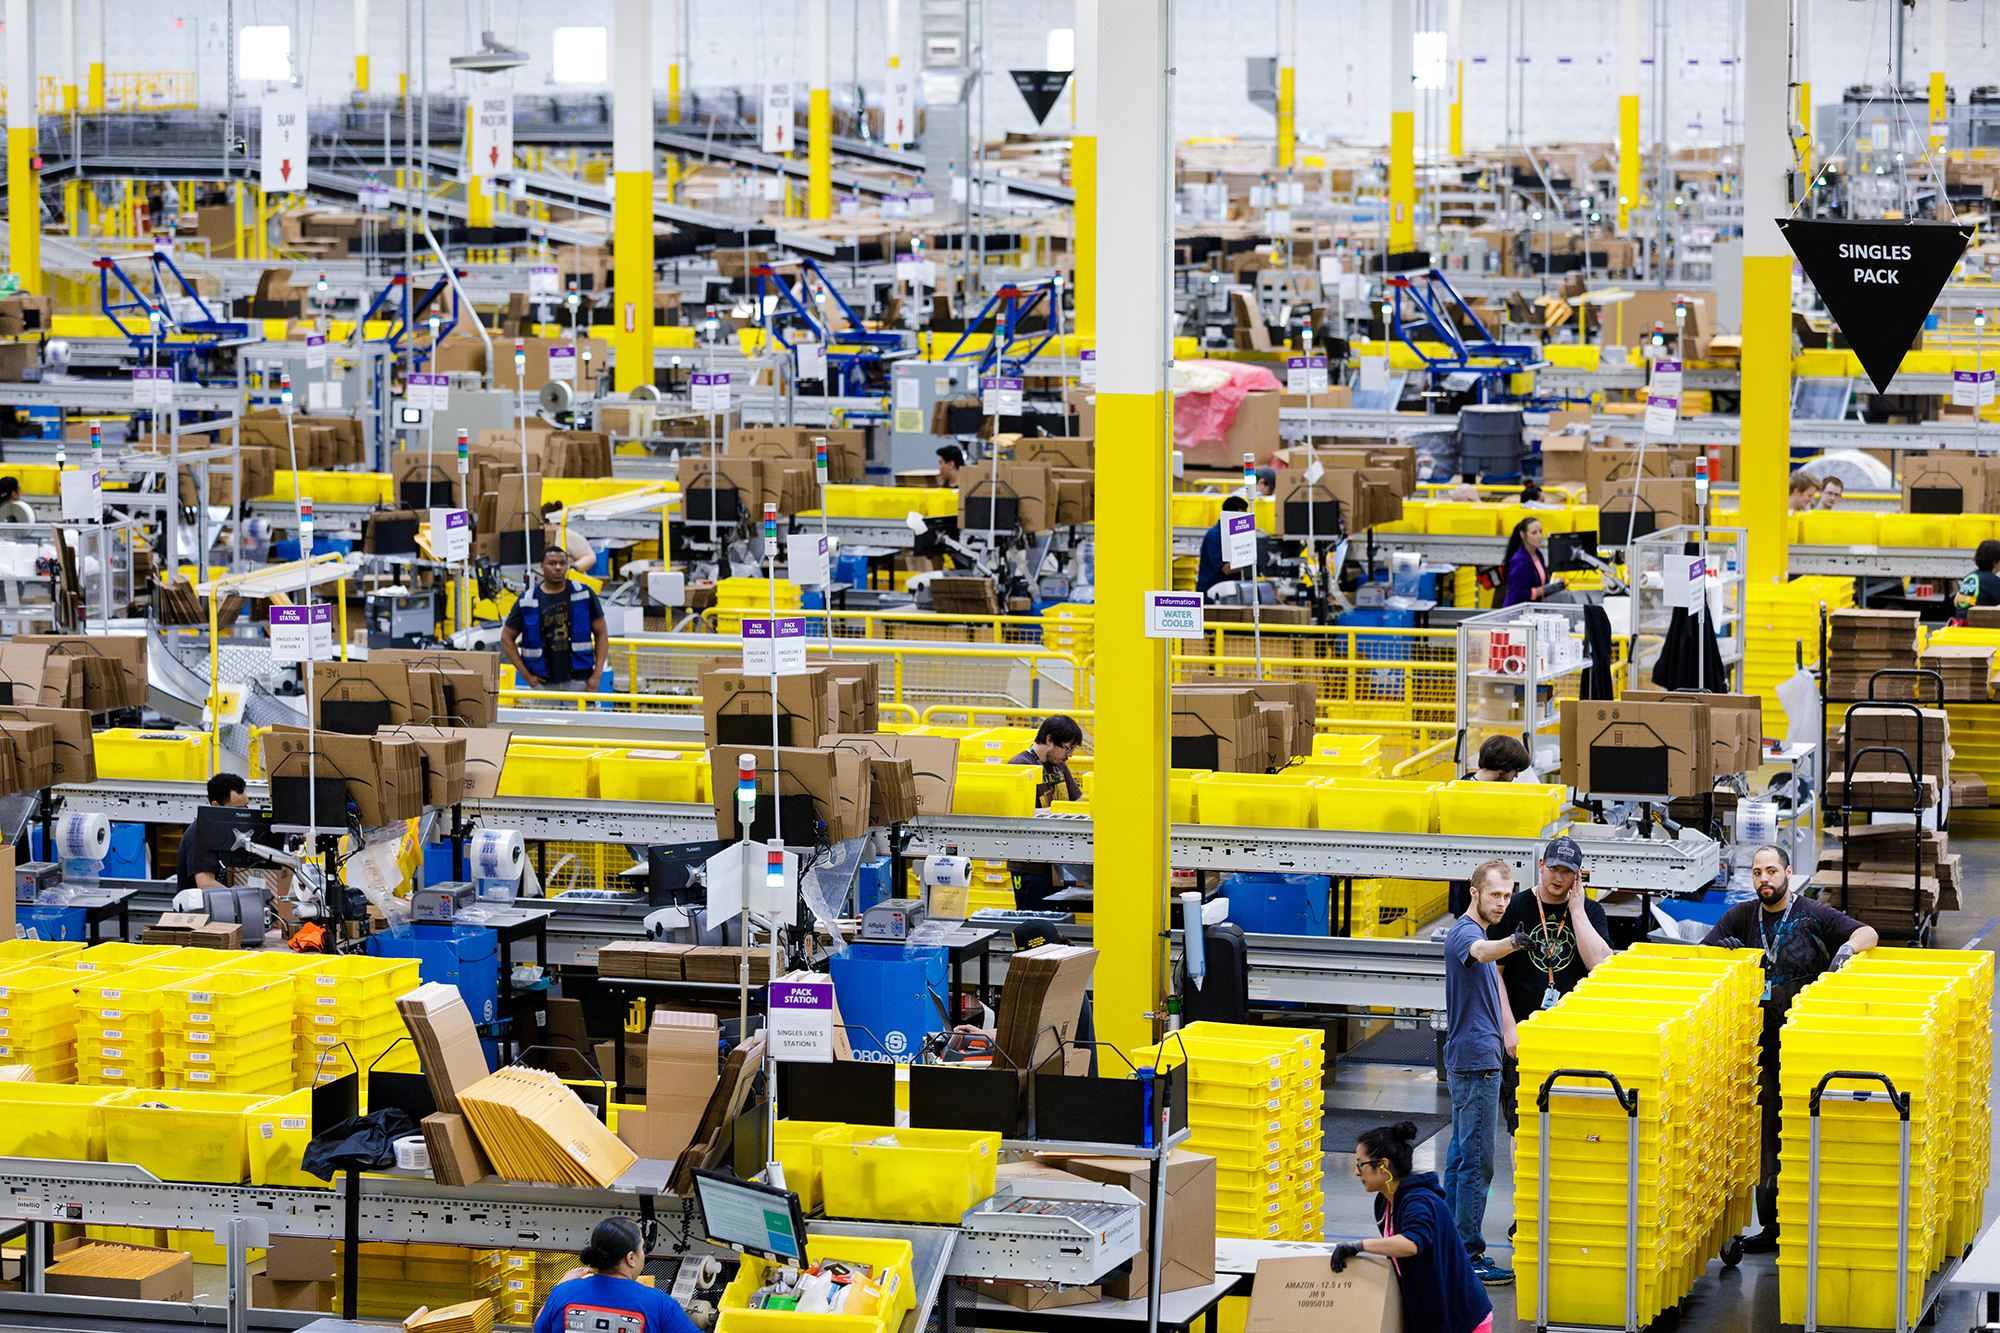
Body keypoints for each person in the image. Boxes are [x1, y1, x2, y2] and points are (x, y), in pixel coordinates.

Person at [1701, 843, 1877, 1252]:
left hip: (1806, 1046)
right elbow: (1700, 954)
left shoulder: (1812, 914)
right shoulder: (1742, 916)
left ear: (1788, 873)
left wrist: (1848, 949)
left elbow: (1867, 932)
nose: (1764, 879)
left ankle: (1813, 1222)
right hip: (1758, 1048)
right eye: (1758, 873)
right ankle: (1772, 1228)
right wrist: (1717, 955)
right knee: (1766, 1139)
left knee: (1806, 1133)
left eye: (1772, 872)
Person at [1487, 835, 1612, 1133]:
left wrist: (1577, 911)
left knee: (1571, 1126)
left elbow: (1602, 966)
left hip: (1574, 1037)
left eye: (1567, 871)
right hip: (1524, 1036)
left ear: (1577, 876)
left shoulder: (1592, 912)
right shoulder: (1514, 908)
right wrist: (1508, 1028)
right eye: (1554, 868)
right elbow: (1494, 973)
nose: (1558, 877)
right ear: (1541, 865)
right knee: (1522, 1125)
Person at [1331, 1122, 1494, 1333]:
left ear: (1383, 1165)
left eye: (1360, 1164)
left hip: (1461, 1320)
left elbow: (1411, 1243)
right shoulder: (1385, 1203)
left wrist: (1359, 1245)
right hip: (1432, 1313)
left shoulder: (1419, 1202)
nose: (1356, 1172)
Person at [1441, 859, 1520, 1285]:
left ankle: (1453, 1245)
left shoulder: (1480, 932)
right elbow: (1481, 953)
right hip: (1475, 1064)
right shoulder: (1467, 935)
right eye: (1495, 895)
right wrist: (1512, 942)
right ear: (1474, 892)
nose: (1502, 903)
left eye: (1507, 896)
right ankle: (1469, 1255)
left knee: (1460, 1156)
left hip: (1475, 1060)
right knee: (1476, 1161)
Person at [532, 1218, 700, 1333]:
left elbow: (538, 1328)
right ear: (631, 1258)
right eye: (642, 1248)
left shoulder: (564, 1293)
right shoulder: (659, 1304)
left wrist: (561, 1285)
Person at [502, 545, 610, 693]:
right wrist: (527, 676)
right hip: (542, 685)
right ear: (541, 567)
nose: (558, 568)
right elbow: (506, 639)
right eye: (552, 563)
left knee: (579, 717)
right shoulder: (527, 601)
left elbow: (602, 633)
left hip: (580, 682)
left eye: (562, 563)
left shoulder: (584, 594)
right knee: (542, 718)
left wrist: (597, 676)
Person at [1446, 736, 1533, 916]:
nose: (1515, 776)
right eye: (1514, 770)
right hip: (1468, 890)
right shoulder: (1459, 796)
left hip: (1497, 891)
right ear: (1501, 768)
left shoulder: (1494, 791)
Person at [1007, 715, 1085, 910]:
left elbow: (1078, 801)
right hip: (1031, 866)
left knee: (1061, 926)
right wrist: (1061, 811)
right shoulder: (1020, 766)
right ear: (1049, 740)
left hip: (1061, 864)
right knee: (1035, 925)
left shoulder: (1060, 766)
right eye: (1067, 748)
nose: (1070, 755)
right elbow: (1015, 815)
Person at [176, 773, 248, 894]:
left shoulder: (222, 829)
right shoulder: (201, 835)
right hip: (198, 911)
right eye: (237, 810)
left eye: (246, 807)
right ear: (215, 806)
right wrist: (240, 899)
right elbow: (205, 884)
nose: (243, 815)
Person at [1499, 517, 1564, 607]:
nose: (1539, 536)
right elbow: (1517, 594)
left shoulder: (1538, 555)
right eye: (1534, 533)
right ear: (1523, 535)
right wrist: (1543, 590)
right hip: (1517, 614)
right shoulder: (1519, 562)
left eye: (1540, 531)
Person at [1196, 495, 1252, 595]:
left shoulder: (1234, 534)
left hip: (1229, 590)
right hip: (1212, 592)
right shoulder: (1215, 536)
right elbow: (1226, 569)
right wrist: (1250, 559)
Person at [540, 501, 598, 574]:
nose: (540, 527)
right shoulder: (542, 538)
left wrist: (573, 568)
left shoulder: (568, 535)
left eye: (541, 524)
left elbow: (590, 557)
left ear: (551, 523)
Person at [1955, 539, 2000, 622]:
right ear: (1996, 562)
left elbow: (1956, 601)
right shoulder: (1993, 581)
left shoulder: (1969, 576)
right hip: (1976, 626)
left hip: (1960, 625)